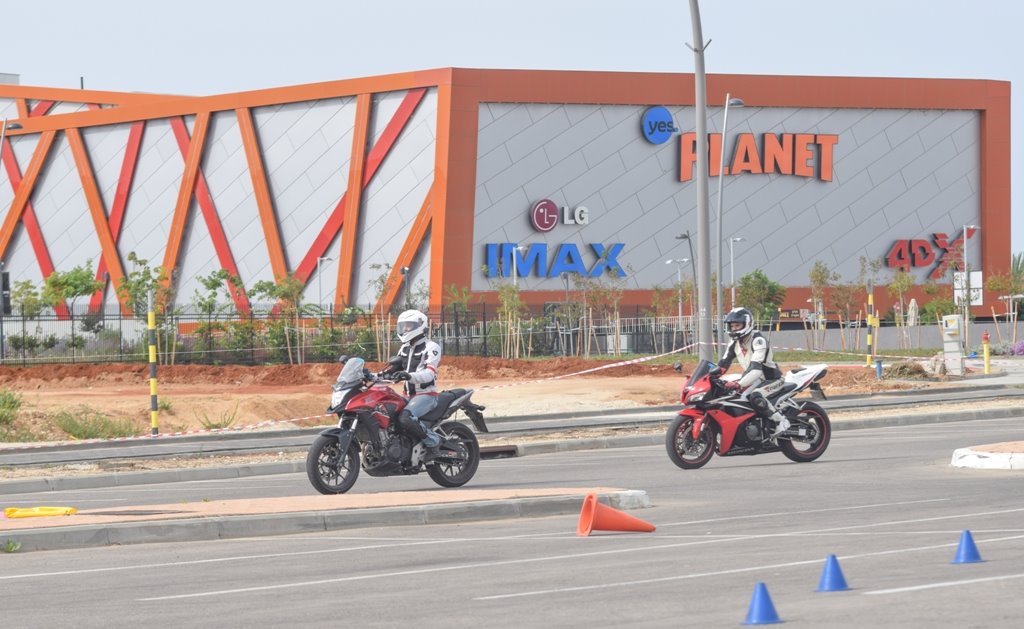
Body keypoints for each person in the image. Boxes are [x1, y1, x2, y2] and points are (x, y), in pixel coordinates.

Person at [717, 306, 791, 438]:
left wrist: (739, 383)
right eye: (732, 326)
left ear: (747, 324)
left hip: (771, 379)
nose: (734, 329)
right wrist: (709, 376)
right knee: (731, 396)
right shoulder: (734, 342)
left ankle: (781, 421)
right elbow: (724, 362)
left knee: (756, 396)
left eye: (737, 325)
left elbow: (756, 369)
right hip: (753, 379)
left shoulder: (758, 340)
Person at [390, 309, 443, 463]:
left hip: (426, 395)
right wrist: (369, 375)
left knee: (405, 418)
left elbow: (429, 373)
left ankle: (433, 442)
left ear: (420, 326)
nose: (405, 329)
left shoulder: (431, 347)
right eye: (403, 326)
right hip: (407, 396)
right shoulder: (405, 348)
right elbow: (392, 370)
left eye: (409, 325)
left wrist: (409, 376)